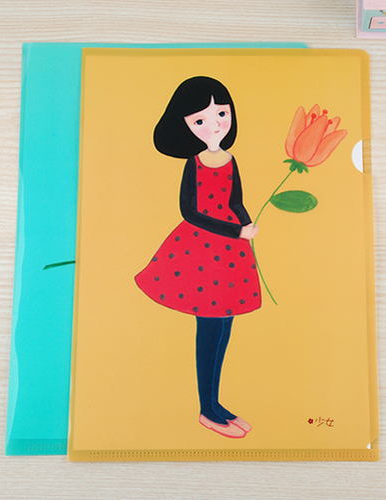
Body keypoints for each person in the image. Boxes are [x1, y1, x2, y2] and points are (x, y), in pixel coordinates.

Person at [135, 76, 261, 438]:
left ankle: (215, 403)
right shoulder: (194, 163)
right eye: (201, 119)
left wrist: (247, 222)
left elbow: (235, 200)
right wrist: (235, 231)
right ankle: (206, 409)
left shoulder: (230, 159)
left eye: (222, 113)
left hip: (231, 254)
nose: (216, 123)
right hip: (200, 251)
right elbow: (189, 212)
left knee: (225, 324)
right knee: (209, 326)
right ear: (187, 125)